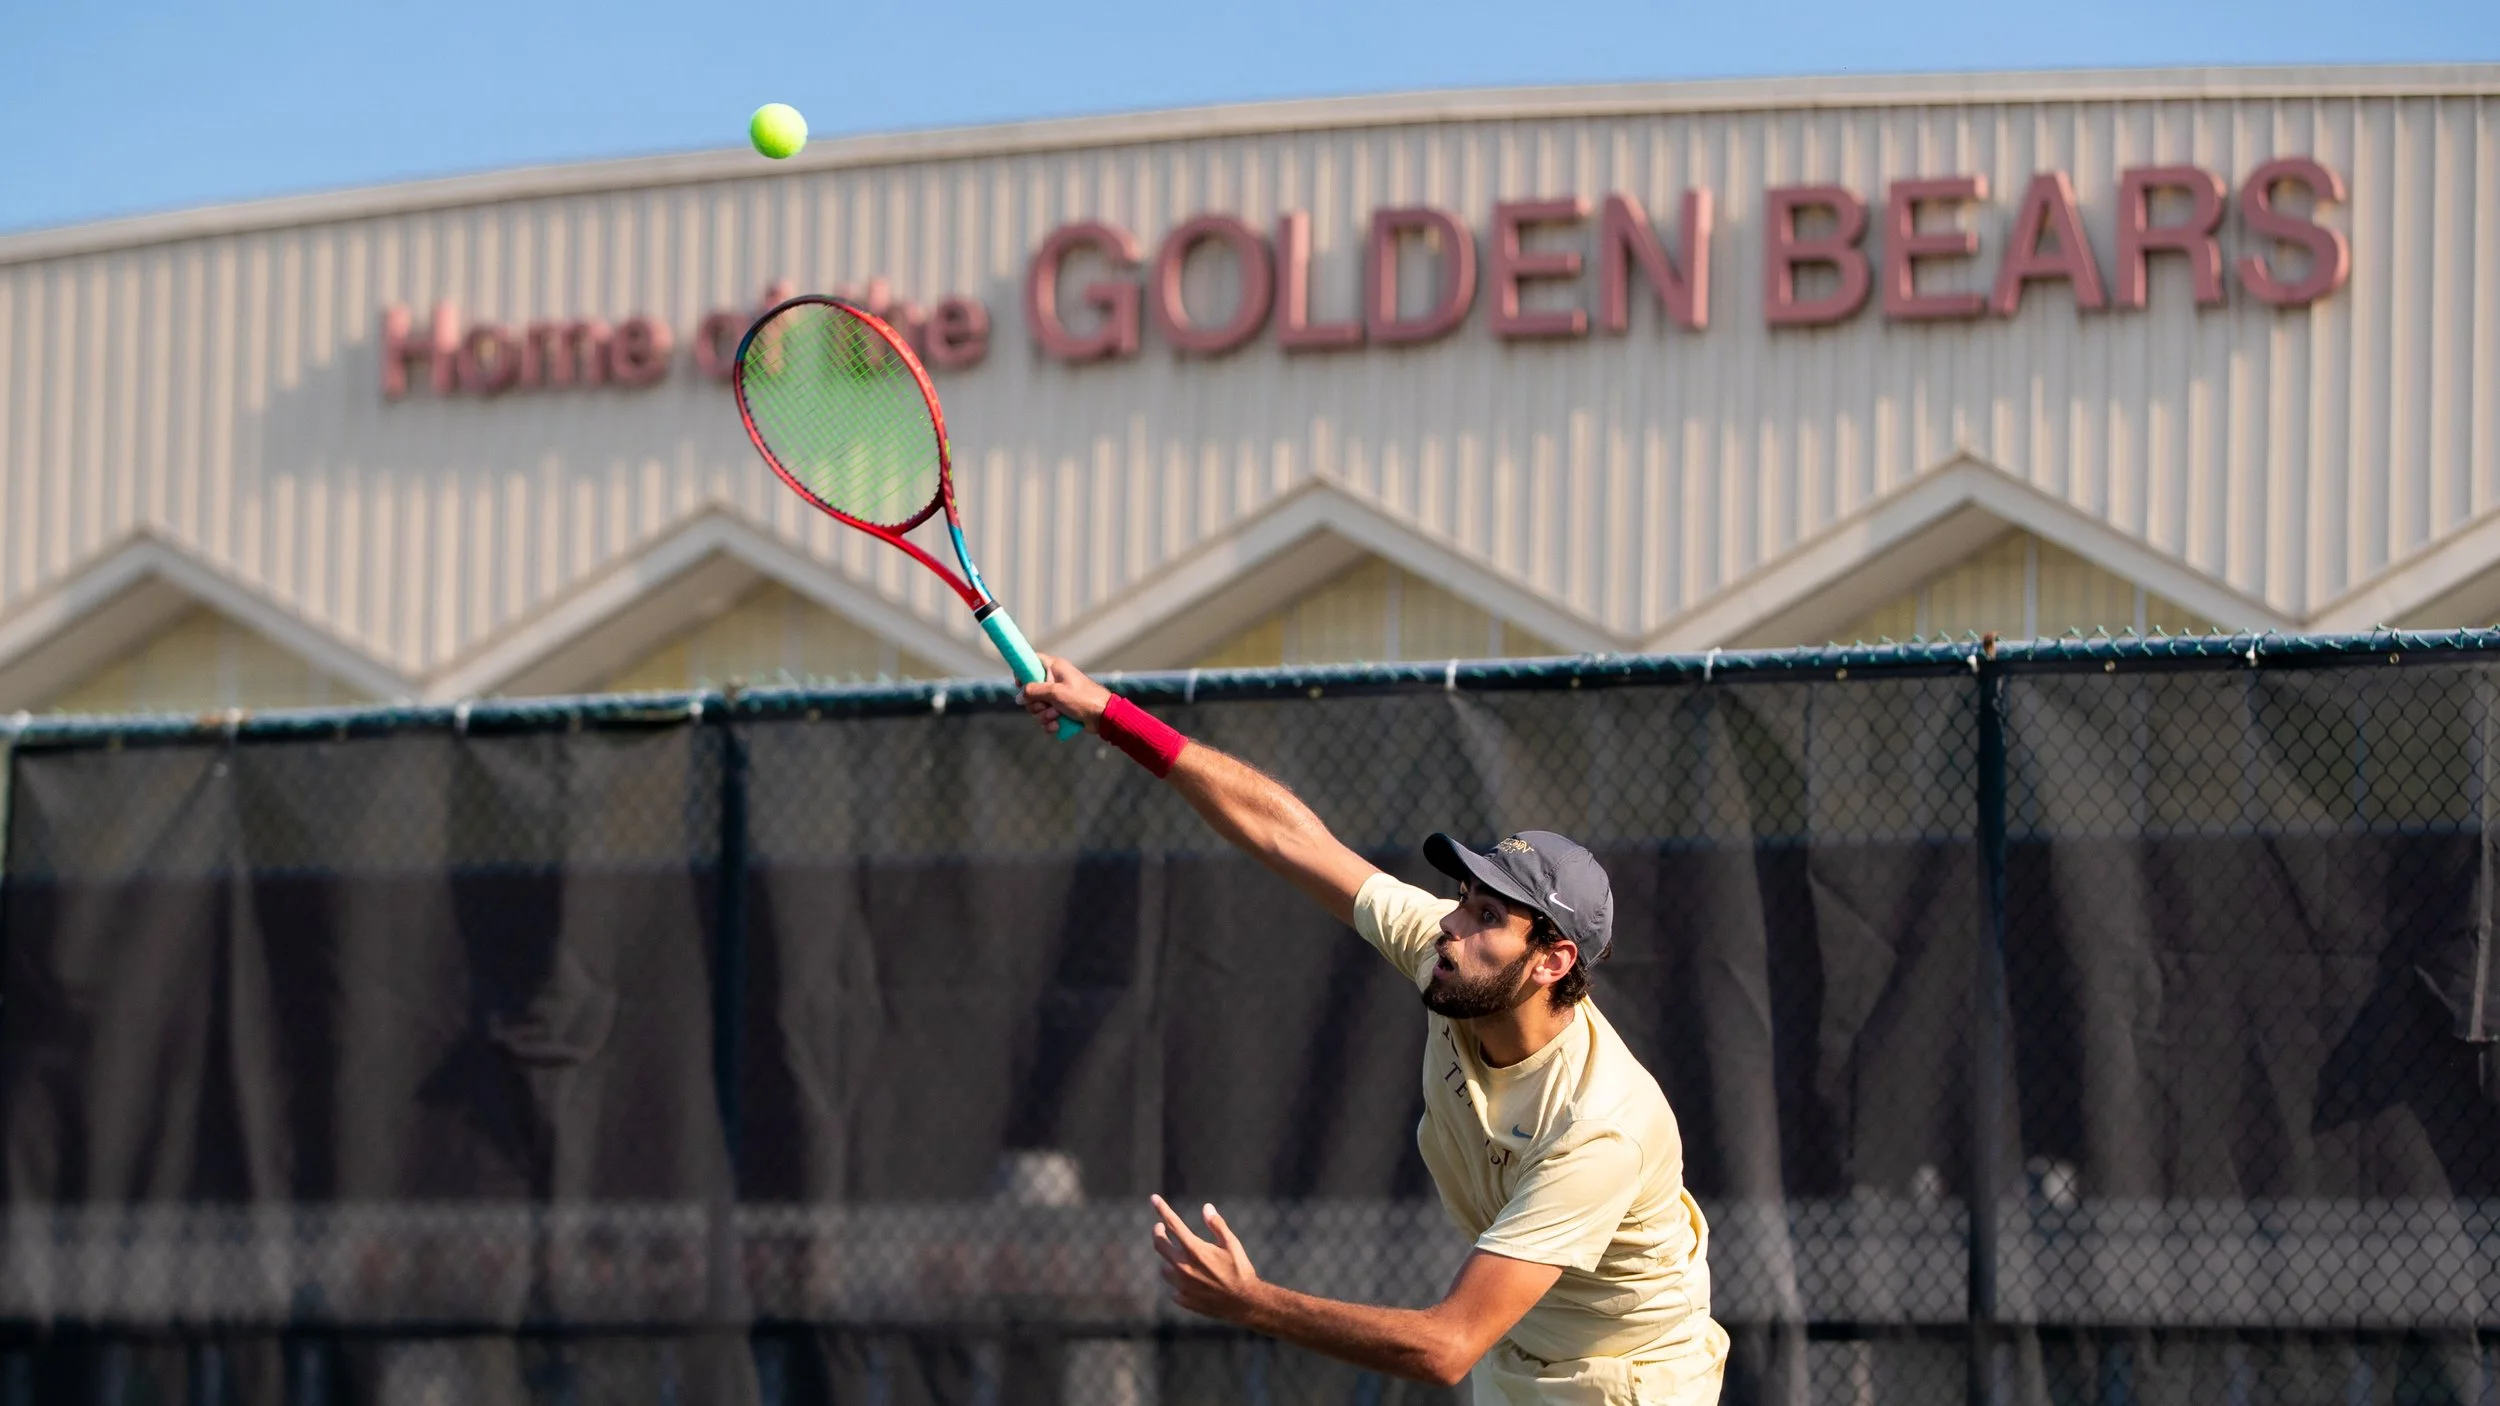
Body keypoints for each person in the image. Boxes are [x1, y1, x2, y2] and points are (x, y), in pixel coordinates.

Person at [1020, 656, 1726, 1406]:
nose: (1453, 926)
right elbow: (1285, 836)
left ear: (1553, 961)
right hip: (1520, 1361)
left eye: (1490, 916)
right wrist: (1114, 717)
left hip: (1634, 1386)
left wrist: (1250, 1300)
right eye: (1464, 899)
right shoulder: (1447, 956)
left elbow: (1445, 1345)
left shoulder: (1600, 1128)